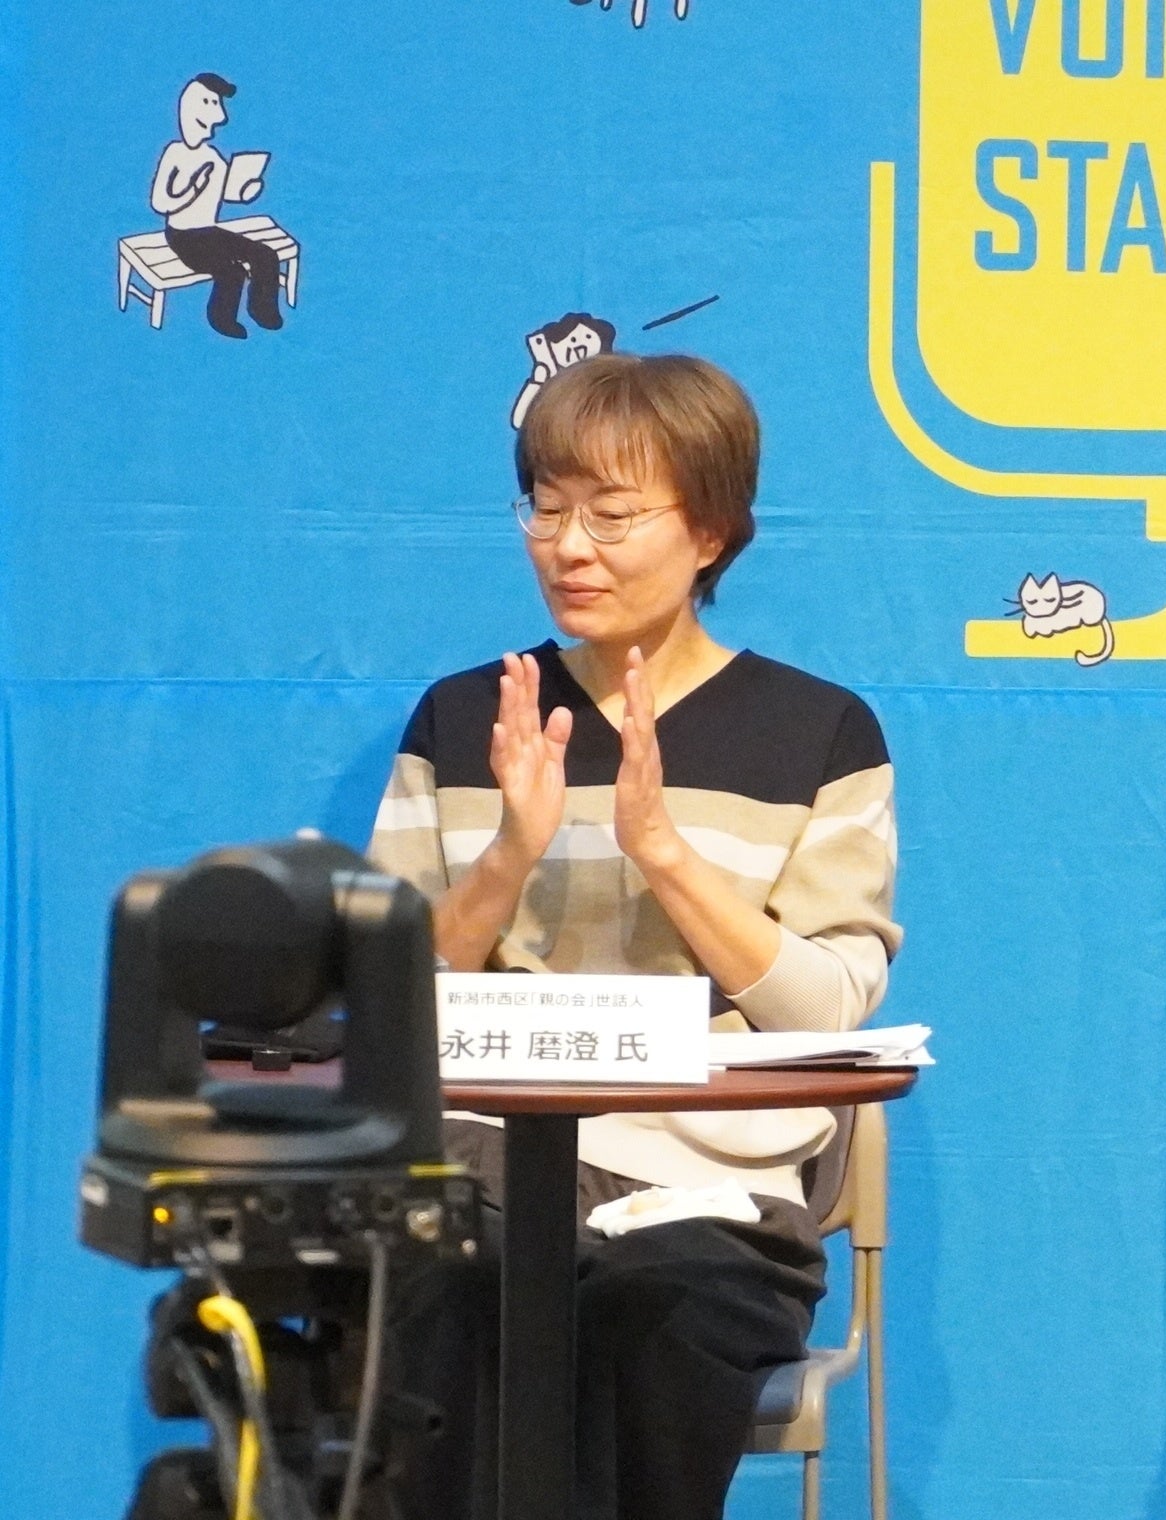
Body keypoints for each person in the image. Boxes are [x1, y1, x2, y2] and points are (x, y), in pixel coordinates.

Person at [367, 353, 903, 1520]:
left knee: (655, 1305)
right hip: (487, 1160)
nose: (569, 546)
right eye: (547, 508)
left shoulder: (819, 732)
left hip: (711, 1191)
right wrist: (508, 852)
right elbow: (386, 996)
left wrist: (662, 849)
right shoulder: (467, 718)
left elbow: (827, 1009)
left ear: (708, 531)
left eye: (610, 515)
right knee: (443, 1284)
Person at [148, 74, 283, 340]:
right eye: (209, 102)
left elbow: (228, 193)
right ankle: (221, 318)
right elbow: (159, 202)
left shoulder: (213, 157)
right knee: (231, 271)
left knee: (265, 255)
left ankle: (262, 310)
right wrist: (191, 190)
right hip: (182, 236)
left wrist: (247, 188)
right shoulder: (174, 153)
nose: (218, 114)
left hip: (209, 231)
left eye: (217, 103)